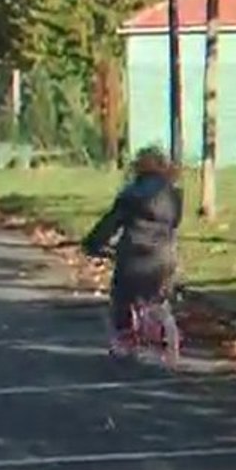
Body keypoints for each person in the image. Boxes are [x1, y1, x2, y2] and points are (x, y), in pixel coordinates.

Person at [81, 146, 183, 357]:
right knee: (158, 294)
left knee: (121, 296)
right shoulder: (174, 195)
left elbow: (110, 224)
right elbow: (174, 223)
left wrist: (93, 244)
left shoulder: (130, 194)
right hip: (164, 256)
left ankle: (124, 335)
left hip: (134, 256)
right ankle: (165, 329)